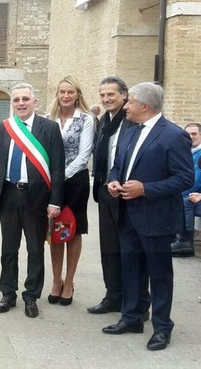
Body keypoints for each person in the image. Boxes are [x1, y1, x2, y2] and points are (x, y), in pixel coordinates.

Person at [103, 82, 193, 351]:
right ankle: (131, 317)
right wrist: (114, 181)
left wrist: (146, 189)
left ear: (145, 105)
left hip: (156, 217)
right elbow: (117, 165)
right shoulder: (130, 130)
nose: (126, 106)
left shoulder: (174, 135)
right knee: (130, 268)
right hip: (127, 215)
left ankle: (162, 327)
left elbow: (184, 178)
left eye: (129, 101)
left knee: (159, 274)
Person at [0, 83, 65, 318]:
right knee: (8, 248)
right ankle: (8, 293)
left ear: (35, 102)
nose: (21, 103)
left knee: (35, 249)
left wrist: (55, 201)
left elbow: (57, 167)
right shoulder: (4, 128)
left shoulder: (50, 128)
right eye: (16, 100)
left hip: (37, 197)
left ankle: (31, 296)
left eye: (25, 99)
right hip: (9, 194)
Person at [88, 76, 137, 314]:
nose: (106, 99)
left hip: (129, 194)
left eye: (111, 95)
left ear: (124, 95)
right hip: (105, 191)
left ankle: (136, 301)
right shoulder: (104, 121)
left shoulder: (133, 121)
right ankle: (113, 295)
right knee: (108, 248)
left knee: (130, 249)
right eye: (103, 95)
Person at [45, 77, 94, 306]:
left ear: (77, 95)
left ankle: (70, 281)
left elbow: (84, 156)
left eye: (70, 92)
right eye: (62, 91)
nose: (65, 96)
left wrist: (60, 176)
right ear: (57, 93)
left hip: (75, 181)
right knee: (55, 229)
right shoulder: (49, 118)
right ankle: (56, 280)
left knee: (73, 230)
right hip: (51, 182)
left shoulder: (86, 119)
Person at [170, 123, 201, 257]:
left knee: (187, 201)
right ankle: (171, 236)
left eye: (194, 134)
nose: (190, 137)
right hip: (181, 193)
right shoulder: (182, 153)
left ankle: (185, 241)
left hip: (196, 197)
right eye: (187, 134)